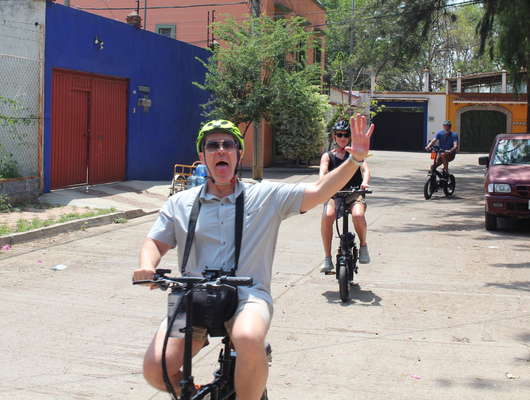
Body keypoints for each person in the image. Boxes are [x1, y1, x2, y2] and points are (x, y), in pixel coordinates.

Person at [133, 115, 374, 400]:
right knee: (155, 368)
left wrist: (355, 159)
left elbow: (320, 191)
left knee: (247, 338)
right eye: (212, 146)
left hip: (248, 295)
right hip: (194, 296)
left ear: (238, 154)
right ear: (202, 156)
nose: (220, 150)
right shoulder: (180, 203)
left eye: (228, 145)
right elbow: (155, 242)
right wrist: (147, 267)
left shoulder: (265, 195)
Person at [318, 120, 371, 274]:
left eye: (346, 135)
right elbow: (323, 172)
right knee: (327, 216)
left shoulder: (356, 153)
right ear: (334, 137)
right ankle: (327, 258)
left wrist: (365, 182)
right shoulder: (327, 156)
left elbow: (365, 170)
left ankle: (363, 246)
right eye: (339, 134)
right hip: (334, 193)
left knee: (358, 215)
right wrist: (323, 183)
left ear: (350, 137)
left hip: (354, 193)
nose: (342, 137)